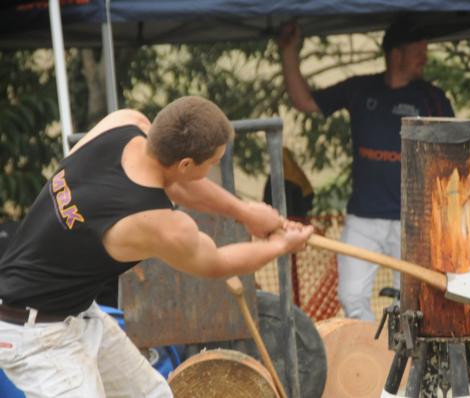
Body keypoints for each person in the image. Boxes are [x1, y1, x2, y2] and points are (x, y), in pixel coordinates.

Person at [0, 96, 313, 397]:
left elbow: (177, 181)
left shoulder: (124, 123)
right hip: (34, 333)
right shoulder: (155, 221)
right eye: (214, 163)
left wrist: (246, 214)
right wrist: (281, 245)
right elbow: (217, 262)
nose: (213, 169)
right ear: (188, 163)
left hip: (75, 311)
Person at [277, 19, 454, 321]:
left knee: (413, 304)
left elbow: (453, 157)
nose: (424, 58)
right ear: (396, 54)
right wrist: (288, 51)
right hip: (363, 218)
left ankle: (409, 365)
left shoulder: (433, 98)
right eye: (418, 51)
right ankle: (373, 363)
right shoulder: (361, 89)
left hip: (412, 222)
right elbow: (304, 101)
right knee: (351, 296)